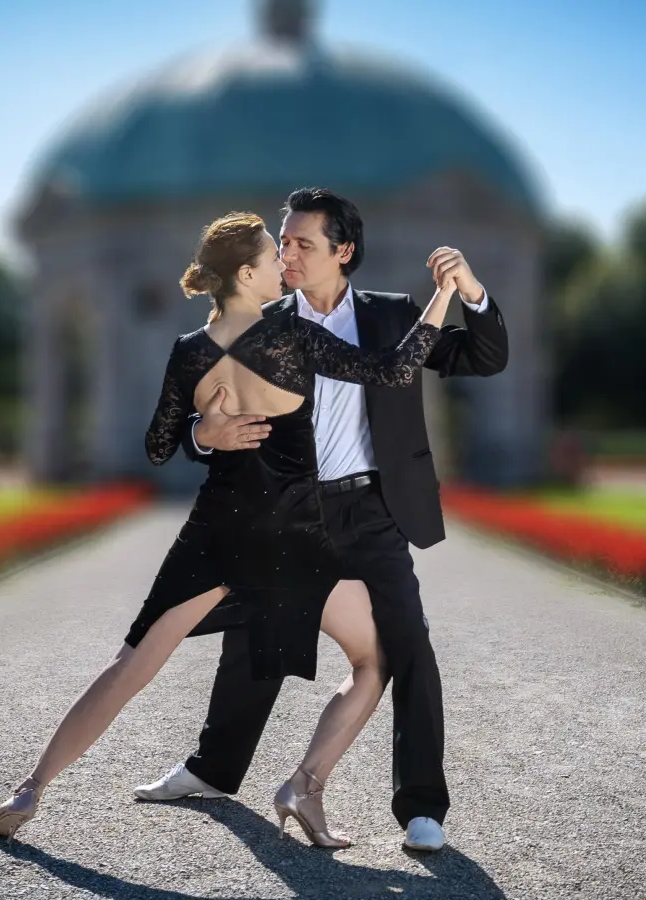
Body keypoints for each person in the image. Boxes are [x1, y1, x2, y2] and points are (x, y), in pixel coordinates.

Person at [0, 210, 459, 846]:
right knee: (375, 660)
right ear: (248, 273)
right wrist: (444, 297)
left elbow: (156, 446)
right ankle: (303, 787)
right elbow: (396, 371)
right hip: (290, 540)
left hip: (214, 533)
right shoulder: (293, 337)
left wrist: (205, 433)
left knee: (128, 666)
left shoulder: (188, 351)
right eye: (273, 257)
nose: (284, 266)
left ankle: (30, 789)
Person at [133, 187, 508, 853]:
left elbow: (483, 356)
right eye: (284, 243)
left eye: (304, 242)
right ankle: (211, 771)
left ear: (344, 251)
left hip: (372, 508)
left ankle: (421, 808)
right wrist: (203, 435)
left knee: (408, 645)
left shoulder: (395, 317)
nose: (289, 253)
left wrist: (470, 291)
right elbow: (192, 419)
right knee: (256, 633)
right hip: (287, 509)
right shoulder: (260, 324)